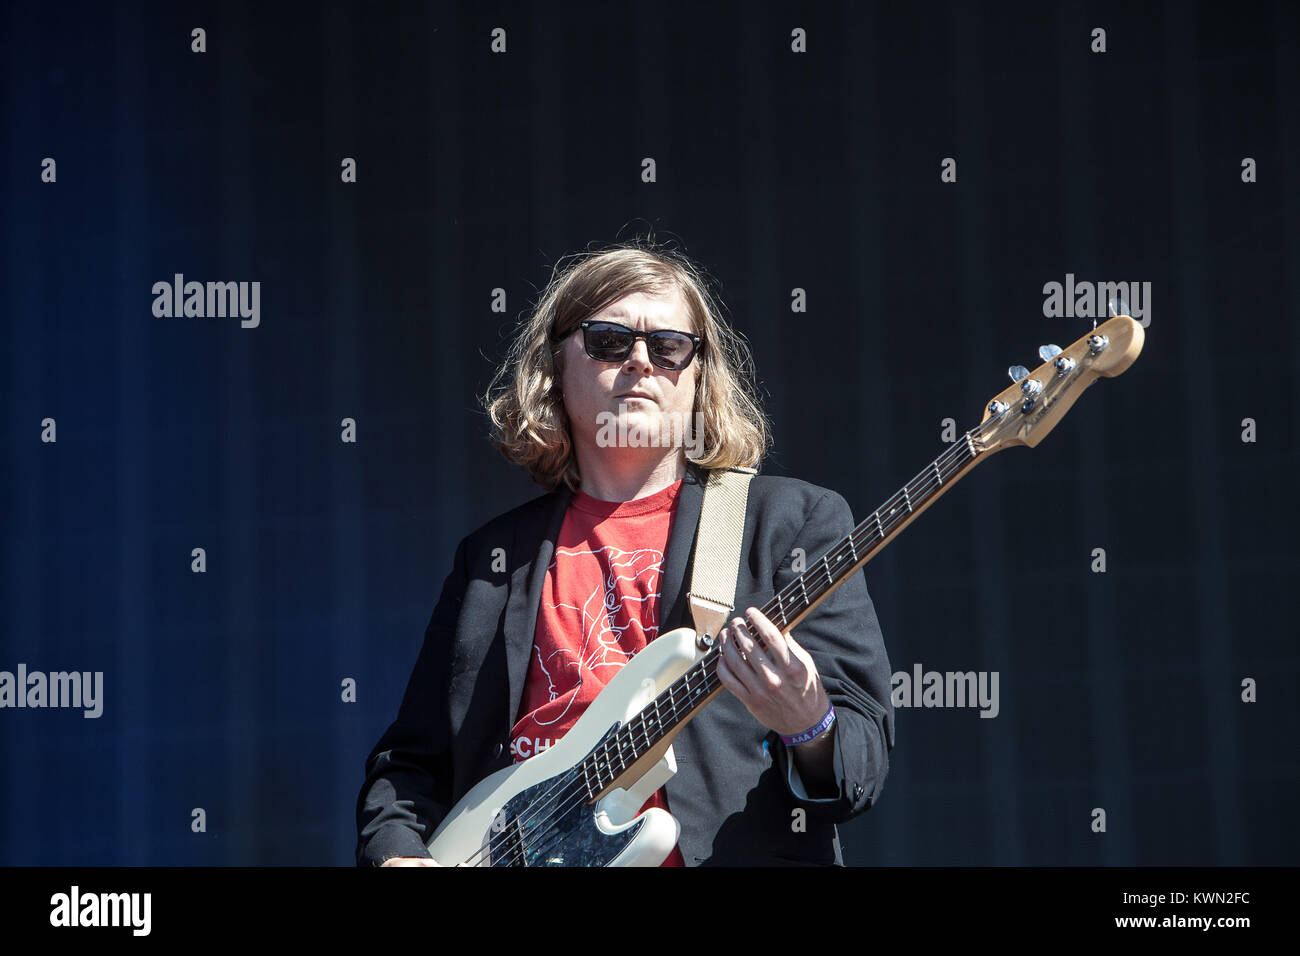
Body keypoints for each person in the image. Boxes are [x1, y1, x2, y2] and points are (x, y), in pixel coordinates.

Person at [355, 242, 894, 866]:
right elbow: (409, 768)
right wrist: (396, 853)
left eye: (669, 348)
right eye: (609, 341)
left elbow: (862, 762)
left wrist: (809, 721)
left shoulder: (790, 524)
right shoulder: (492, 561)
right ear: (555, 364)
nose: (641, 361)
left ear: (698, 375)